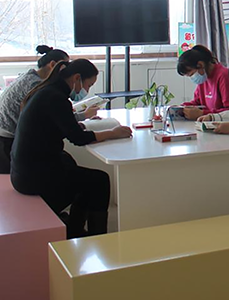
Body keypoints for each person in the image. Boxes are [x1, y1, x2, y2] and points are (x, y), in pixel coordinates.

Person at [10, 59, 132, 238]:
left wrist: (78, 127)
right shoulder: (56, 98)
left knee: (74, 168)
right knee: (100, 180)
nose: (87, 91)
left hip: (22, 171)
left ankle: (74, 230)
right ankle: (98, 237)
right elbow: (78, 139)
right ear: (76, 78)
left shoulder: (46, 91)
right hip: (33, 178)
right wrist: (112, 133)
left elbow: (60, 127)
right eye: (88, 85)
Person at [0, 45, 99, 174]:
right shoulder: (37, 86)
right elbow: (56, 118)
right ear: (53, 65)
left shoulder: (31, 77)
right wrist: (82, 116)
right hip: (8, 144)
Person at [177, 45, 229, 120]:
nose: (192, 78)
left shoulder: (224, 76)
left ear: (200, 65)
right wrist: (182, 108)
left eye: (191, 74)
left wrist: (203, 114)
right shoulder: (203, 78)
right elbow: (198, 102)